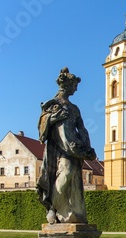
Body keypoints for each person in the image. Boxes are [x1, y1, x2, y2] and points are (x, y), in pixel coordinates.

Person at [36, 67, 96, 224]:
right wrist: (53, 118)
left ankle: (72, 214)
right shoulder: (53, 104)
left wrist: (87, 149)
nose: (76, 90)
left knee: (75, 182)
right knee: (66, 173)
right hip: (58, 151)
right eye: (74, 86)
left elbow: (82, 130)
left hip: (74, 150)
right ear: (67, 86)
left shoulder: (74, 109)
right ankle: (53, 207)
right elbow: (42, 127)